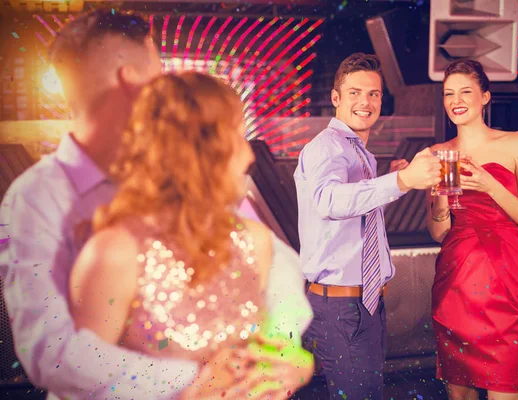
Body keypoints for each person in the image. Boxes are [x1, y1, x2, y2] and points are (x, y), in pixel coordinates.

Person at [0, 10, 311, 400]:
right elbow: (53, 354)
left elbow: (273, 275)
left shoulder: (193, 177)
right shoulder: (36, 197)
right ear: (130, 81)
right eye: (159, 71)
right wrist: (196, 381)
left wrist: (284, 357)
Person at [68, 70, 313, 399]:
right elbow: (76, 385)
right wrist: (190, 389)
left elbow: (279, 346)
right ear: (201, 151)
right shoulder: (115, 253)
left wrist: (295, 365)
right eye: (239, 137)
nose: (250, 155)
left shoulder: (255, 241)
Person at [294, 52, 442, 399]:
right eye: (355, 92)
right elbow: (329, 202)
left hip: (364, 305)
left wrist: (395, 179)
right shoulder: (327, 148)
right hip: (342, 309)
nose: (366, 101)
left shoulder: (359, 152)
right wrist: (402, 180)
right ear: (336, 98)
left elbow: (356, 211)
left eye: (373, 94)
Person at [427, 59, 518, 400]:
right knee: (459, 394)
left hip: (508, 281)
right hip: (457, 282)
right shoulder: (439, 153)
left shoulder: (516, 143)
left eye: (465, 91)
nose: (456, 100)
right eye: (449, 93)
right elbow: (438, 234)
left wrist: (490, 185)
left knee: (506, 388)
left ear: (485, 97)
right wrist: (439, 202)